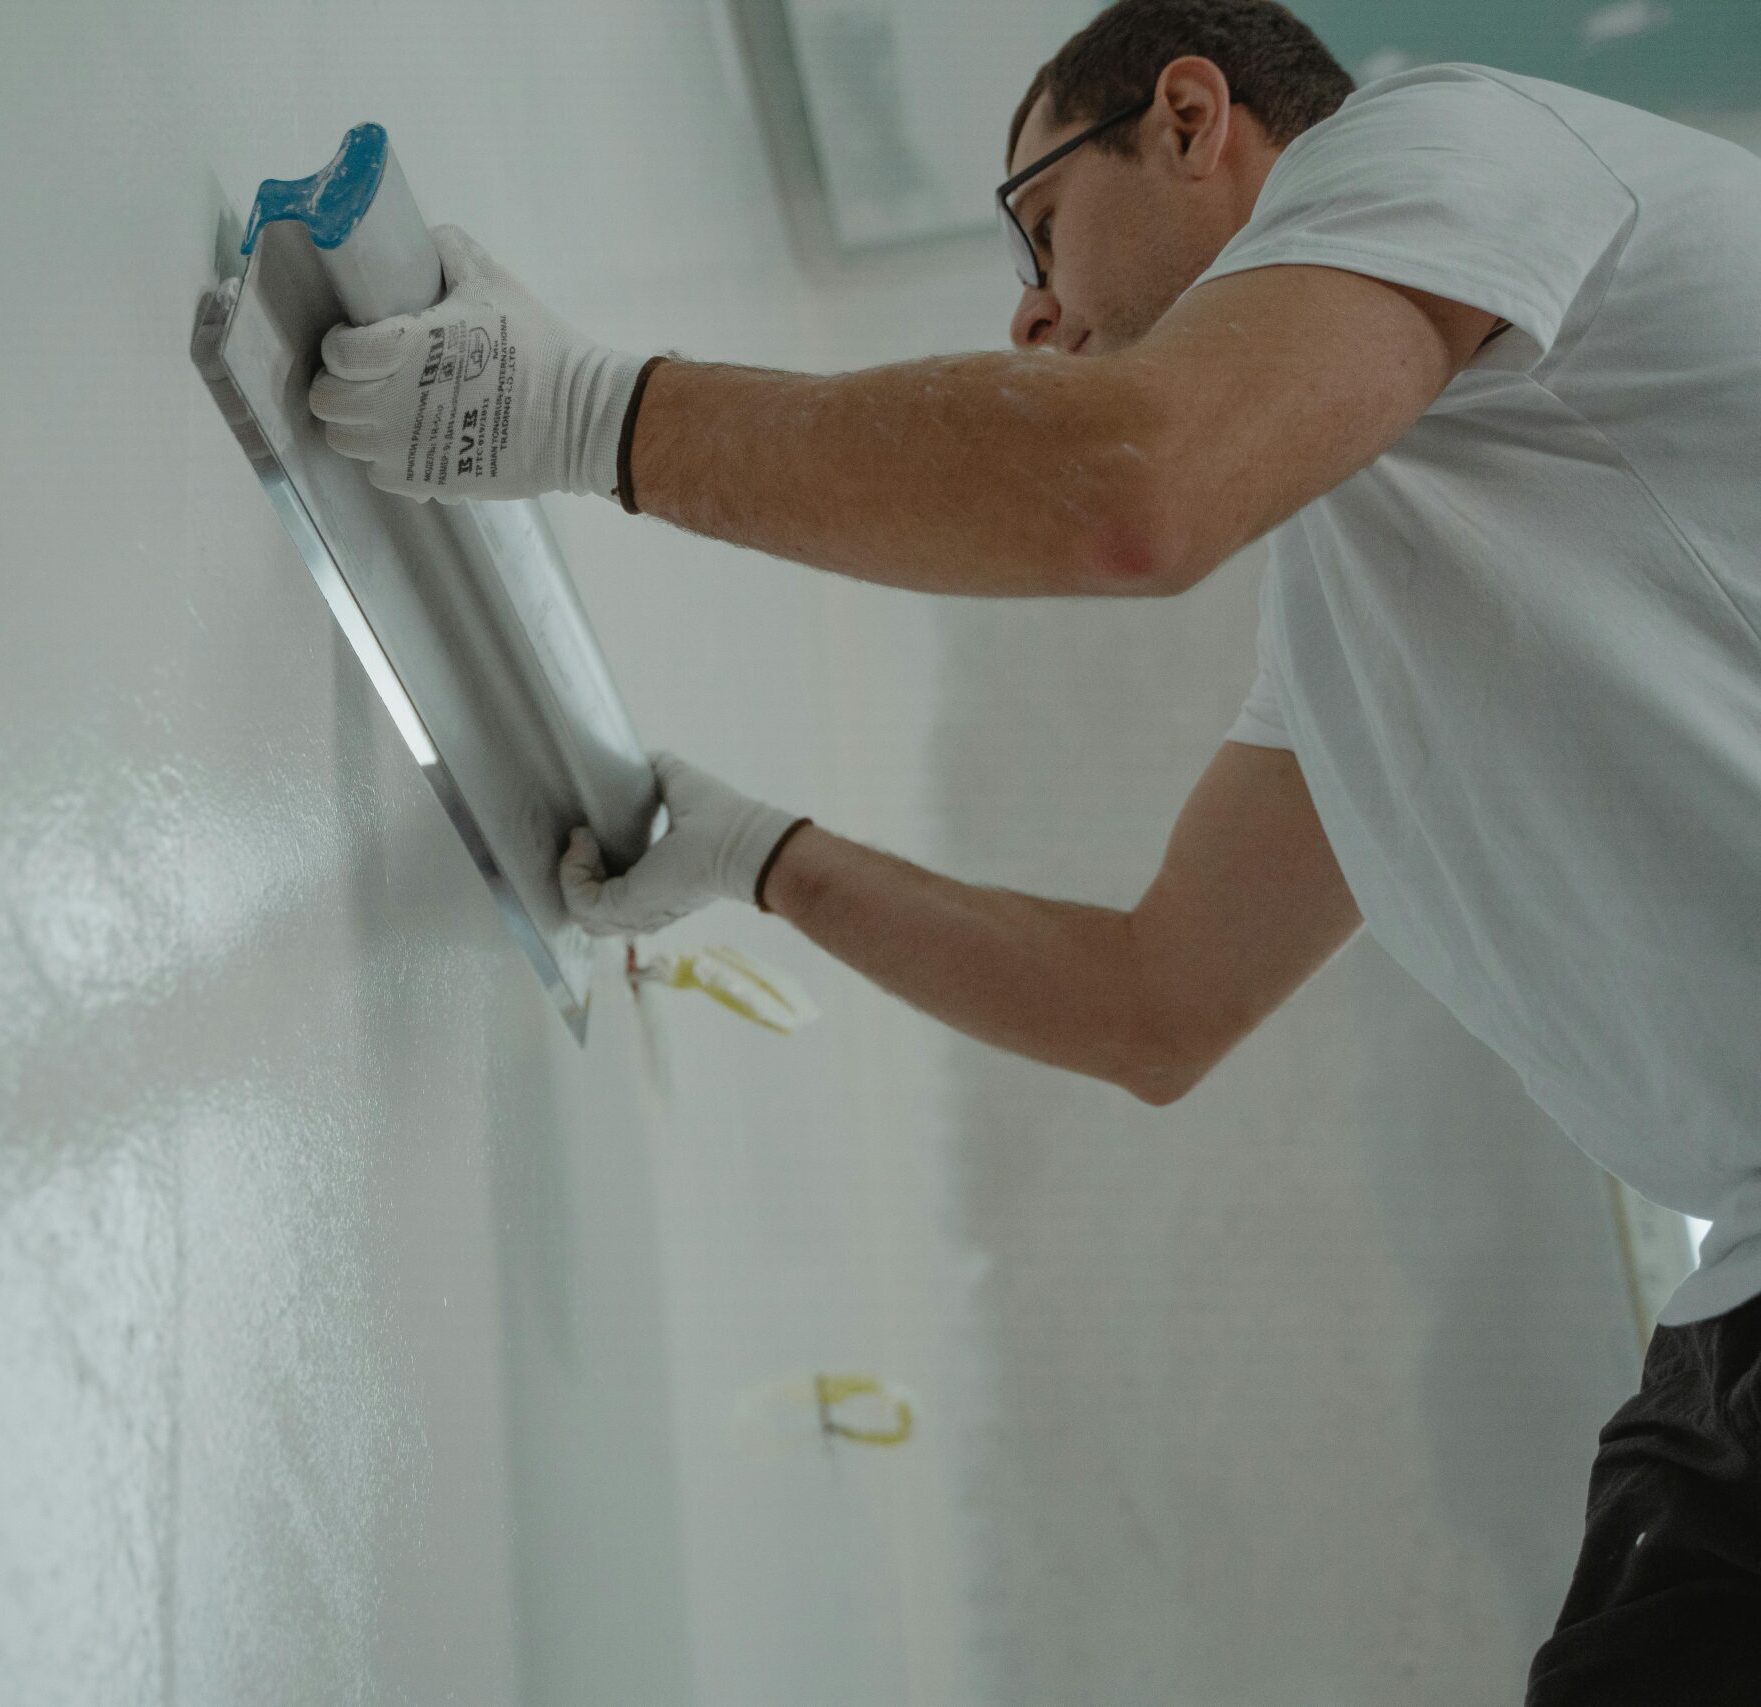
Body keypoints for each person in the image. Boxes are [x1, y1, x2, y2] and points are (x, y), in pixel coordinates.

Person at [305, 1, 1761, 1695]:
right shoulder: (1372, 612)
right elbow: (1153, 1002)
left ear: (1195, 119)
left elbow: (1127, 489)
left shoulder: (1454, 146)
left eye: (1043, 222)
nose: (1033, 309)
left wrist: (583, 417)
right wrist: (752, 850)